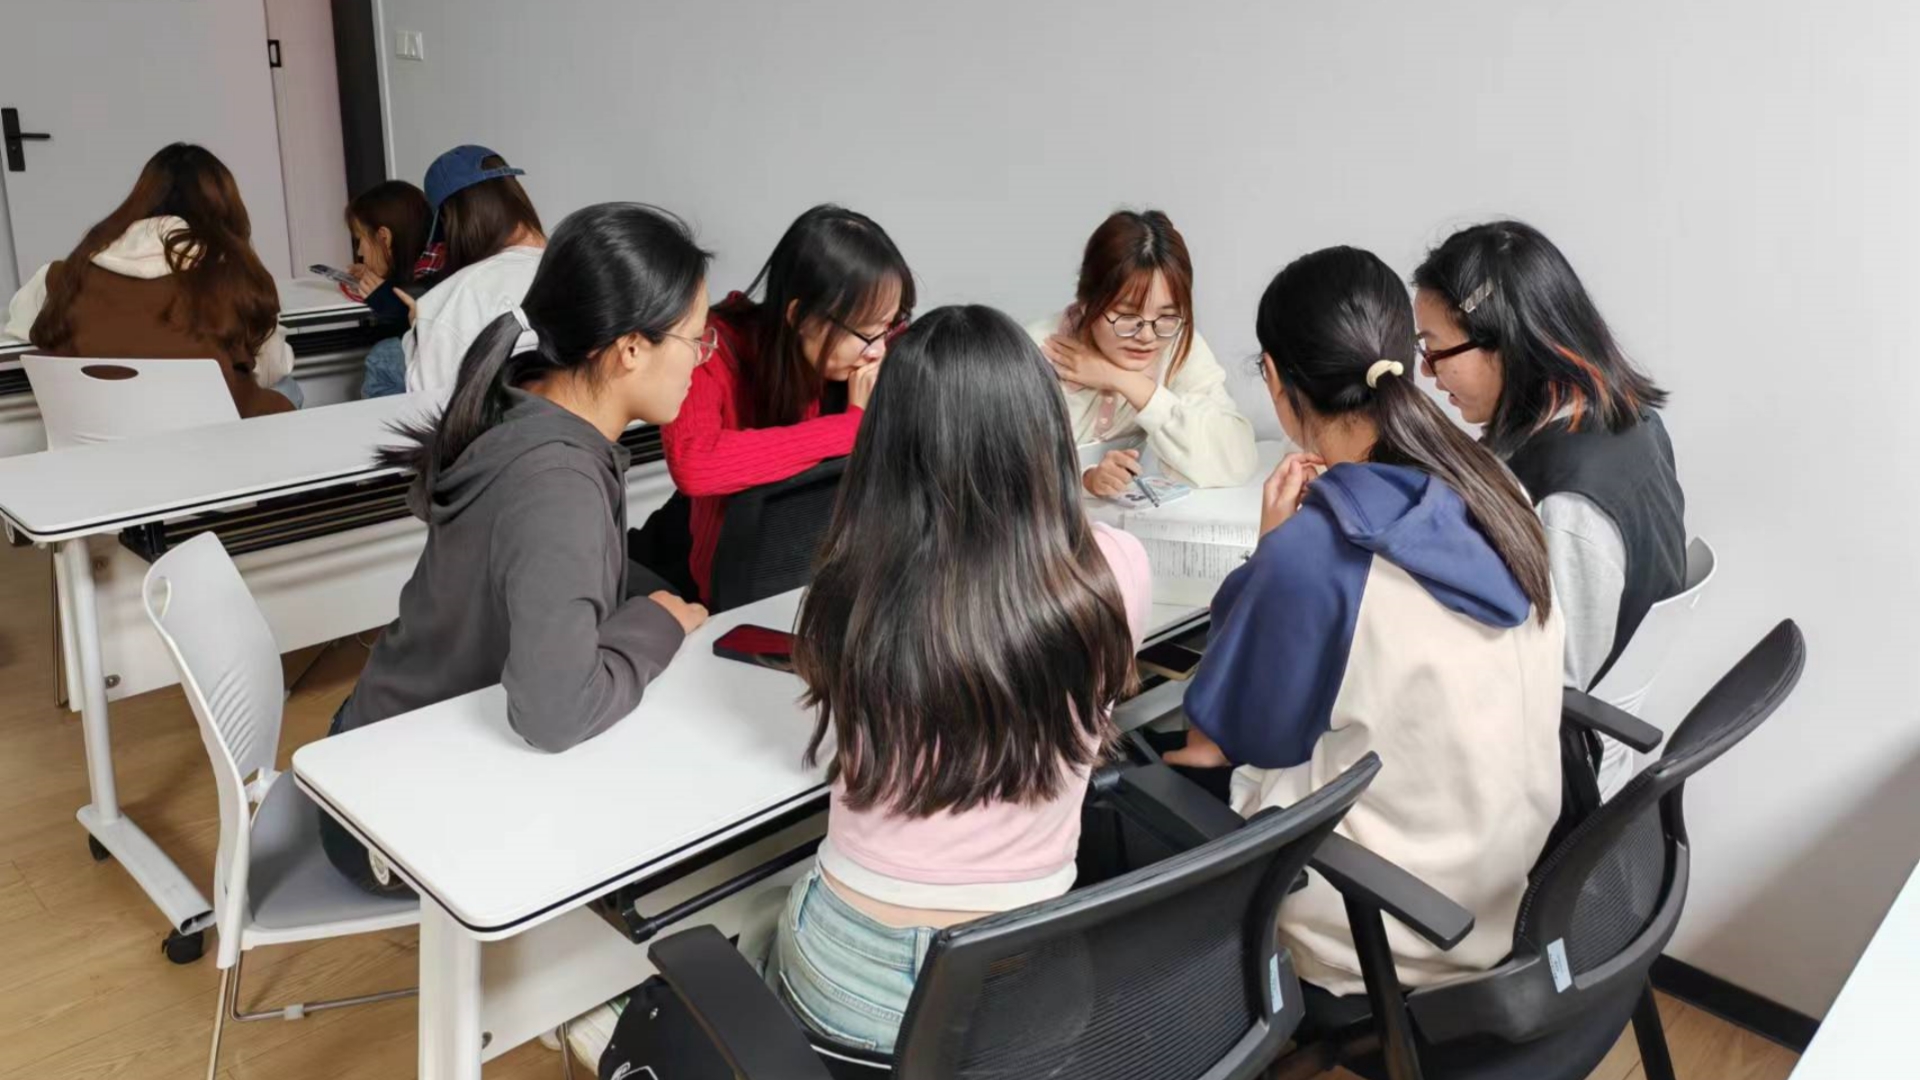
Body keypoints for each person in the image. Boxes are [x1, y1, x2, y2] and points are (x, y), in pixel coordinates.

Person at [1164, 246, 1564, 1000]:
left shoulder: (1319, 556)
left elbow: (1223, 740)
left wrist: (1268, 558)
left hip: (1376, 923)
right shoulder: (1495, 488)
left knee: (1161, 777)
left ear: (1276, 382)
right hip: (1504, 884)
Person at [760, 305, 1151, 1052]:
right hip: (1023, 983)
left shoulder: (848, 584)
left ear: (887, 442)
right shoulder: (1113, 575)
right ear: (1043, 432)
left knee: (757, 934)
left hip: (852, 974)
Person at [320, 202, 714, 895]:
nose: (701, 364)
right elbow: (555, 714)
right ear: (630, 349)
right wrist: (657, 625)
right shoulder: (557, 480)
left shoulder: (528, 395)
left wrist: (646, 604)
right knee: (673, 835)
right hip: (387, 818)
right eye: (695, 341)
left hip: (379, 753)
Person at [1413, 222, 1685, 773]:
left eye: (1435, 350)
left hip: (1545, 776)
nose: (1426, 370)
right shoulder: (1629, 422)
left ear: (1504, 345)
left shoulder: (1567, 508)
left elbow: (1544, 698)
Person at [659, 204, 913, 602]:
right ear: (802, 317)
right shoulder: (711, 347)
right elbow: (695, 463)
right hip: (729, 594)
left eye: (890, 325)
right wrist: (849, 427)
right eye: (866, 333)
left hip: (825, 584)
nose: (878, 350)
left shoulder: (870, 355)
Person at [4, 143, 300, 416]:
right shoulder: (236, 279)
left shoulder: (62, 276)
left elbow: (18, 324)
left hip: (106, 439)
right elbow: (273, 367)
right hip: (214, 436)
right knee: (288, 387)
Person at [1027, 210, 1257, 496]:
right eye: (1127, 316)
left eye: (1167, 315)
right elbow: (998, 470)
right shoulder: (1035, 354)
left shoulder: (1175, 343)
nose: (1147, 336)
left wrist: (1124, 380)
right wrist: (1084, 481)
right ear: (1086, 302)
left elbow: (1236, 459)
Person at [376, 144, 545, 399]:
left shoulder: (454, 296)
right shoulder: (576, 264)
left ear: (450, 220)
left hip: (493, 421)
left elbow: (427, 404)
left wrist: (419, 329)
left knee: (382, 358)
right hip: (566, 420)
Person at [342, 180, 438, 398]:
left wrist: (383, 297)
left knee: (382, 357)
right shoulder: (433, 260)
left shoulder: (429, 281)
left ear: (384, 237)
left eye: (360, 240)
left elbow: (419, 318)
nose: (360, 252)